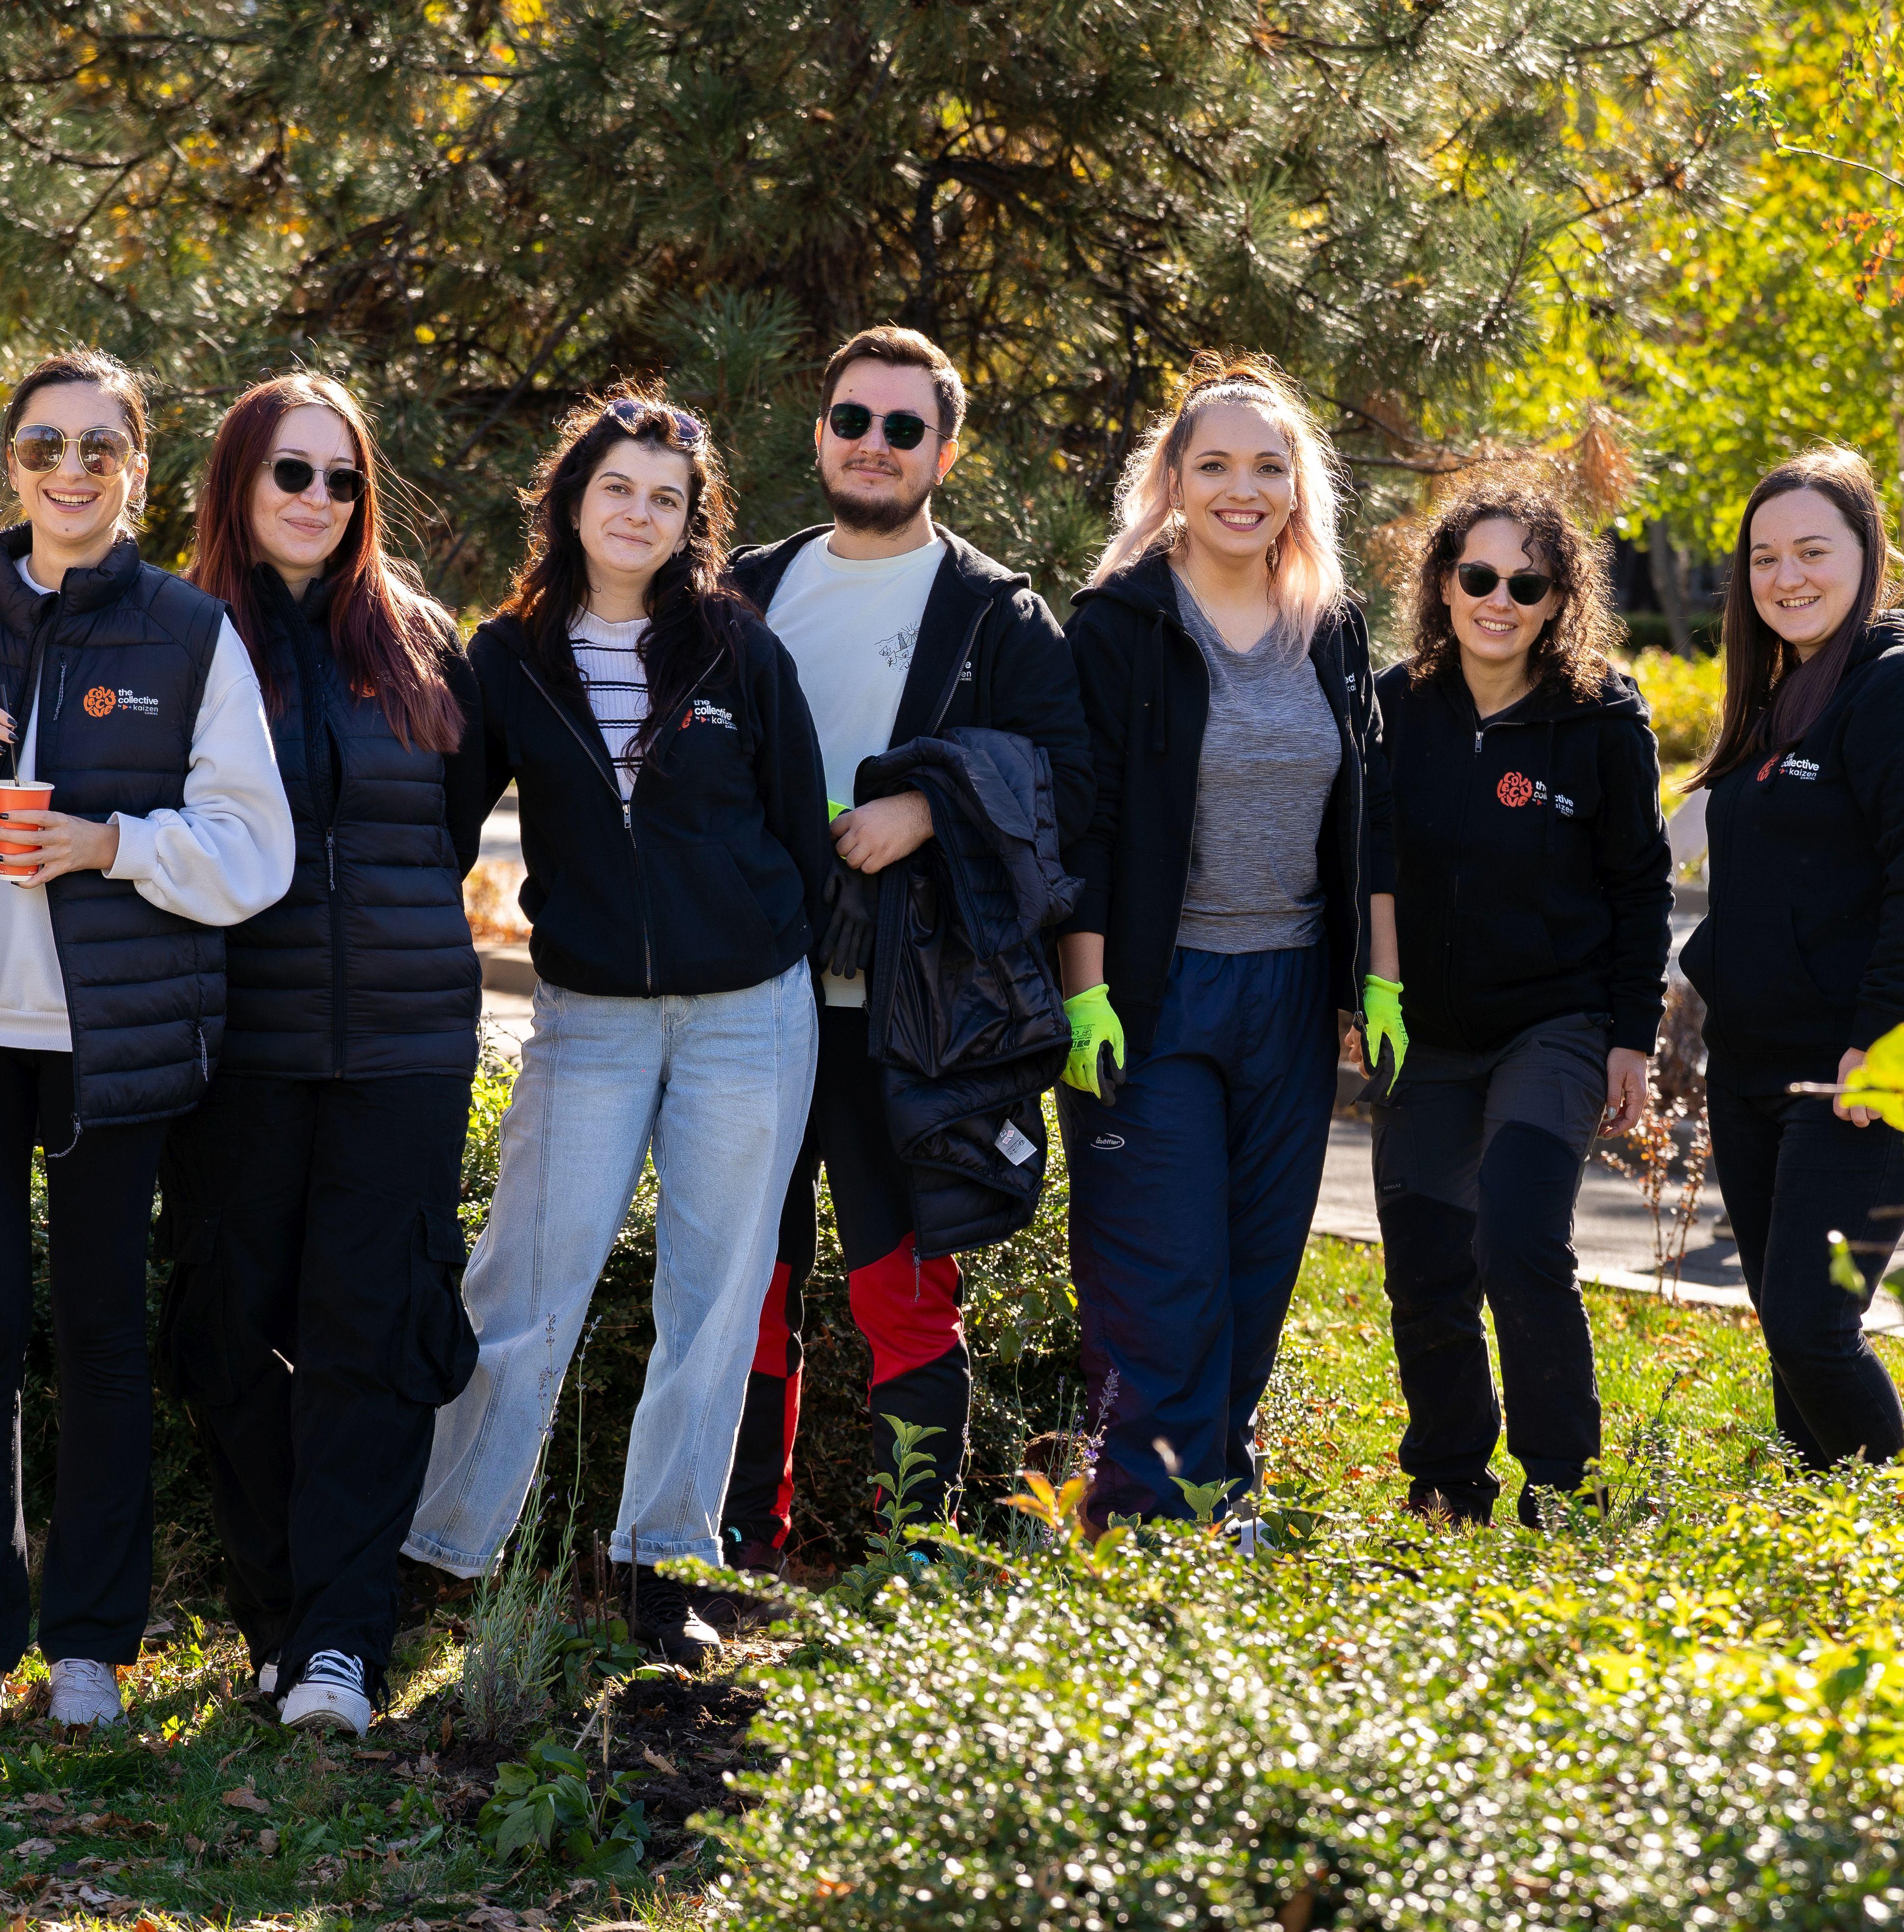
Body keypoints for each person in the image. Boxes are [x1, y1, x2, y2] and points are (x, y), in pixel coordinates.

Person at [0, 348, 295, 1731]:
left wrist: (115, 845)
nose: (69, 472)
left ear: (137, 469)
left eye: (99, 449)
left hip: (114, 1045)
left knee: (98, 1333)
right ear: (11, 469)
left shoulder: (190, 633)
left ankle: (91, 1642)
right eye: (42, 449)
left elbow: (254, 849)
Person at [402, 391, 832, 1667]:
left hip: (746, 1017)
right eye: (617, 489)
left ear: (693, 519)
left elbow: (801, 834)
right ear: (571, 502)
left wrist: (754, 944)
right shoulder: (506, 657)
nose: (639, 512)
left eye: (666, 497)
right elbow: (439, 824)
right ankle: (437, 1549)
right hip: (587, 1017)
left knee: (715, 1296)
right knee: (525, 1284)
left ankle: (663, 1563)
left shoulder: (737, 650)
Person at [718, 326, 1088, 1569]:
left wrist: (928, 807)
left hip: (909, 1014)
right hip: (753, 998)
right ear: (819, 432)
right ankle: (728, 1547)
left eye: (903, 427)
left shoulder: (995, 615)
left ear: (945, 447)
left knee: (902, 1289)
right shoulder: (746, 588)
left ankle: (911, 1552)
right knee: (744, 1289)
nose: (873, 445)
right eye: (852, 420)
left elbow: (1069, 784)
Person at [160, 373, 483, 1737]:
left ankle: (343, 1645)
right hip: (239, 1044)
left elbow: (448, 827)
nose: (317, 500)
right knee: (228, 1332)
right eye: (290, 473)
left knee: (370, 1335)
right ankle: (276, 1619)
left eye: (342, 479)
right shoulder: (180, 638)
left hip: (405, 1047)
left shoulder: (416, 639)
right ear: (237, 483)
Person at [1057, 355, 1399, 1530]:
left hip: (1291, 997)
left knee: (1255, 1275)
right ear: (1174, 482)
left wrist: (1379, 979)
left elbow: (1370, 815)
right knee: (1163, 1279)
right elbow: (1085, 825)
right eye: (1215, 465)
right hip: (1152, 997)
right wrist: (1085, 994)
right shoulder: (1117, 626)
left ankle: (1211, 1496)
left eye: (1268, 465)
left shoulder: (1331, 627)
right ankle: (1153, 1533)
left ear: (1300, 487)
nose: (1241, 489)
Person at [1370, 477, 1672, 1527]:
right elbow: (1356, 868)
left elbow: (1643, 883)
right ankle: (1450, 1475)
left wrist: (1635, 1035)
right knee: (1425, 1259)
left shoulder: (1599, 719)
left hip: (1557, 1024)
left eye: (1527, 581)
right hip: (1422, 1034)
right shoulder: (1390, 707)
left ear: (1558, 600)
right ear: (1445, 586)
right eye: (1480, 575)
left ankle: (1565, 1483)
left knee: (1517, 1236)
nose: (1500, 598)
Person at [1676, 446, 1904, 1468]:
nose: (1786, 577)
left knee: (1814, 1328)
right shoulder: (1782, 688)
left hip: (1859, 1067)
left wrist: (1881, 1040)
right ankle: (1822, 1554)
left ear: (1868, 554)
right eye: (1765, 558)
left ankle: (1890, 1543)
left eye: (1813, 550)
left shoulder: (1903, 688)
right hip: (1754, 1061)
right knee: (1789, 1340)